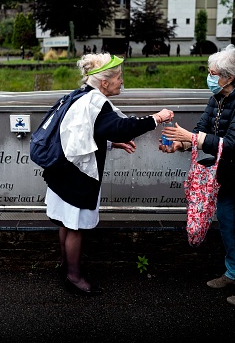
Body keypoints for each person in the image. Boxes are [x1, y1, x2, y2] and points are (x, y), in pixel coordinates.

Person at [43, 52, 174, 296]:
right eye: (118, 77)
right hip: (76, 176)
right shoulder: (96, 103)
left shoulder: (80, 95)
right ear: (104, 82)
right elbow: (120, 127)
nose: (121, 82)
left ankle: (65, 267)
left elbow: (86, 133)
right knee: (75, 227)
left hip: (62, 170)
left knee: (65, 222)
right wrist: (156, 118)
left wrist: (113, 144)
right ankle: (74, 277)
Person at [159, 44, 235, 307]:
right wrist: (181, 144)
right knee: (226, 224)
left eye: (213, 73)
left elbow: (233, 141)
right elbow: (202, 130)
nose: (209, 77)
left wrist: (191, 138)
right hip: (225, 175)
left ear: (230, 77)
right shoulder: (217, 98)